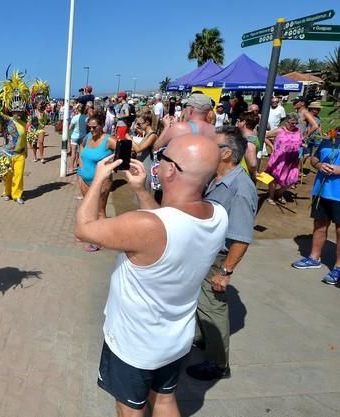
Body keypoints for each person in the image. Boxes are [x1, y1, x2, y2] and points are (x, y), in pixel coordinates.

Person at [75, 134, 228, 416]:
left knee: (131, 408)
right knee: (165, 398)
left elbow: (84, 228)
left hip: (135, 343)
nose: (156, 165)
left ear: (171, 170)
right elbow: (168, 225)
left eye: (162, 158)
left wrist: (97, 179)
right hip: (175, 336)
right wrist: (142, 191)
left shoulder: (147, 225)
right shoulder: (217, 215)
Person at [187, 126, 257, 381]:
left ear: (226, 153)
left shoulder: (240, 188)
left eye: (211, 146)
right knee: (202, 304)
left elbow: (241, 237)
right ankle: (204, 339)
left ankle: (218, 364)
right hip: (203, 253)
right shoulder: (216, 178)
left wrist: (225, 272)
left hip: (218, 259)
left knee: (213, 307)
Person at [292, 128, 340, 284]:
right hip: (321, 192)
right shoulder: (329, 139)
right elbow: (314, 158)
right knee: (319, 224)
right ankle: (314, 257)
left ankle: (338, 268)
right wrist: (319, 165)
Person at [76, 111, 117, 251]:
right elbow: (80, 146)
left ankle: (101, 240)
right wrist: (80, 166)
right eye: (90, 127)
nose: (92, 130)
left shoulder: (109, 140)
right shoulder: (88, 137)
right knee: (89, 209)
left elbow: (124, 154)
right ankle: (91, 235)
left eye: (94, 127)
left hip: (101, 181)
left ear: (102, 126)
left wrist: (112, 163)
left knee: (100, 211)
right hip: (84, 178)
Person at [0, 70, 29, 204]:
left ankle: (17, 194)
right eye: (15, 110)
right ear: (12, 110)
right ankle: (6, 192)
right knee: (8, 175)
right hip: (8, 153)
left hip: (20, 154)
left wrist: (26, 151)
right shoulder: (8, 120)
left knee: (19, 175)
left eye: (20, 110)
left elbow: (24, 138)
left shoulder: (24, 122)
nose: (17, 112)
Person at [264, 112, 302, 205]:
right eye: (292, 123)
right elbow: (264, 136)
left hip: (292, 160)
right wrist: (272, 147)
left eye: (295, 123)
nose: (294, 125)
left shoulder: (298, 131)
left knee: (290, 179)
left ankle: (279, 193)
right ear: (286, 121)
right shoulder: (279, 130)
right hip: (279, 159)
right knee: (274, 178)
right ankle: (271, 196)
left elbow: (299, 141)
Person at [131, 110, 157, 191]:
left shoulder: (152, 135)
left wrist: (130, 140)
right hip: (142, 167)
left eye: (139, 124)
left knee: (144, 195)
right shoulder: (146, 134)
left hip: (147, 169)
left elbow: (139, 149)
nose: (138, 126)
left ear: (147, 122)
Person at [237, 111, 260, 180]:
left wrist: (254, 173)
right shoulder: (252, 136)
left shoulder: (249, 142)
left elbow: (252, 164)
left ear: (243, 123)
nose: (237, 123)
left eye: (239, 121)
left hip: (242, 176)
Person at [69, 103, 88, 172]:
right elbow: (87, 126)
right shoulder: (86, 117)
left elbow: (70, 127)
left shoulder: (75, 117)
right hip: (83, 136)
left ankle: (71, 168)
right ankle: (81, 167)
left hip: (74, 136)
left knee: (73, 152)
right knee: (81, 152)